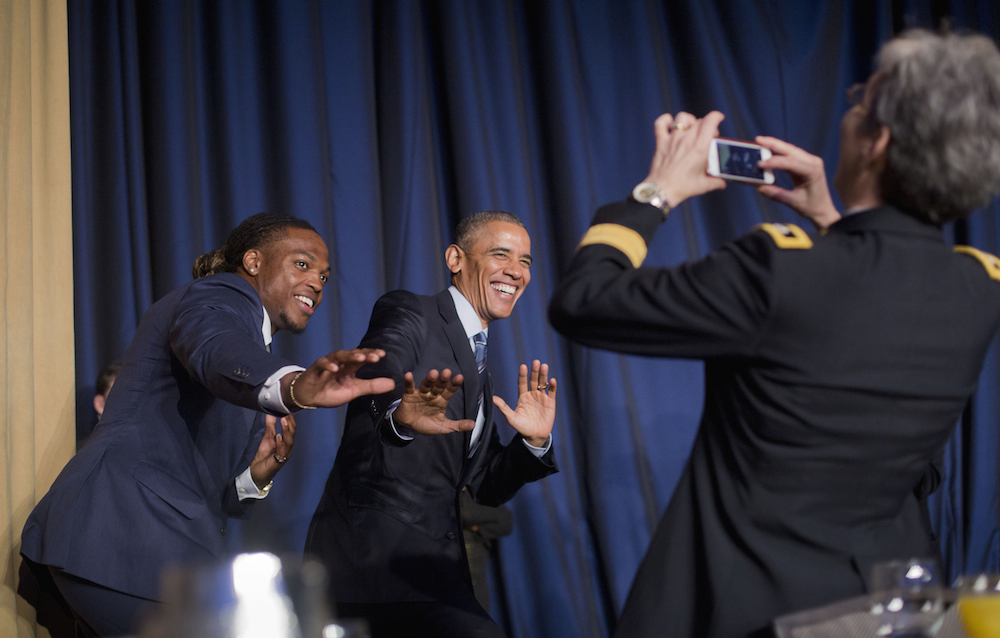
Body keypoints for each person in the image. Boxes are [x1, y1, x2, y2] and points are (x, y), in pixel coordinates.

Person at [549, 29, 1000, 638]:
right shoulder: (978, 286)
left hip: (750, 615)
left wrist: (656, 192)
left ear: (879, 144)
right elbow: (873, 296)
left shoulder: (780, 267)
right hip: (886, 611)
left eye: (861, 104)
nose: (851, 109)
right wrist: (835, 222)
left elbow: (583, 301)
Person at [20, 213, 394, 637]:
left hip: (134, 549)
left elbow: (197, 474)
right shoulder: (221, 296)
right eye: (303, 265)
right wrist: (293, 386)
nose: (317, 284)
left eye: (325, 276)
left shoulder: (251, 344)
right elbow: (213, 343)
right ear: (253, 262)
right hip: (118, 537)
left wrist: (254, 477)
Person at [305, 211, 559, 638]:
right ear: (456, 259)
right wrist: (398, 417)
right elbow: (380, 371)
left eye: (526, 262)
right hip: (373, 563)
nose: (516, 271)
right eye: (501, 254)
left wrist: (532, 442)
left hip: (434, 572)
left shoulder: (480, 369)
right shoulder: (411, 311)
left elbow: (486, 486)